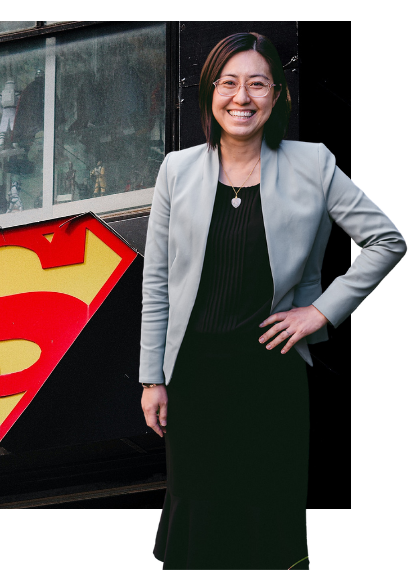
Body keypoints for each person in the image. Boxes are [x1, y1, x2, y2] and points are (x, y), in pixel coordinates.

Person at [139, 32, 405, 569]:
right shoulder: (177, 170)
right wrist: (152, 378)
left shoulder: (313, 165)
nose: (242, 97)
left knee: (269, 529)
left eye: (258, 84)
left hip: (271, 377)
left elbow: (387, 240)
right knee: (201, 534)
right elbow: (158, 282)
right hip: (195, 381)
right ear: (210, 94)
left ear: (279, 95)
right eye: (229, 83)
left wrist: (321, 311)